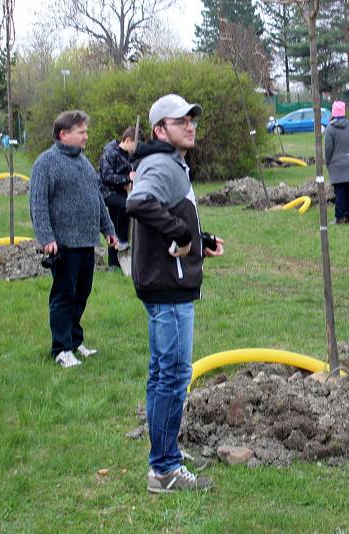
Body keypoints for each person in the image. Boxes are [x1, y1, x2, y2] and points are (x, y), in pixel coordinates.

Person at [126, 94, 223, 493]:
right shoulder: (162, 164)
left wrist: (199, 239)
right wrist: (182, 234)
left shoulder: (170, 164)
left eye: (192, 119)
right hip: (168, 287)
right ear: (159, 130)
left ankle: (165, 453)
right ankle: (163, 469)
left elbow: (168, 215)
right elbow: (138, 202)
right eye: (180, 120)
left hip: (165, 281)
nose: (190, 125)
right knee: (174, 375)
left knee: (161, 374)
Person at [29, 110, 117, 369]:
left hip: (86, 242)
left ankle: (75, 341)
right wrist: (46, 237)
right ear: (63, 134)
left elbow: (97, 198)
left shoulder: (84, 162)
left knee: (81, 295)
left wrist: (108, 228)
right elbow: (38, 204)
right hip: (63, 244)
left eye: (85, 131)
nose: (86, 136)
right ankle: (61, 349)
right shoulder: (45, 163)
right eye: (81, 132)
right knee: (64, 296)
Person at [99, 126, 144, 268]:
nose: (136, 149)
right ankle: (124, 241)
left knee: (113, 227)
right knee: (127, 205)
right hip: (106, 193)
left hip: (121, 193)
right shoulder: (110, 152)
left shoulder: (130, 156)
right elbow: (106, 176)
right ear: (128, 140)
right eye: (136, 145)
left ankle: (114, 264)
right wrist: (126, 179)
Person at [324, 101, 349, 224]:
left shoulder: (330, 129)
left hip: (336, 165)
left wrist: (327, 161)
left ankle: (340, 217)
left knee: (339, 192)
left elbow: (328, 149)